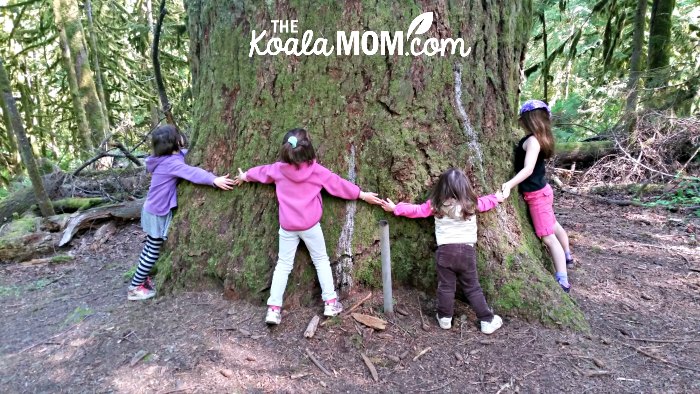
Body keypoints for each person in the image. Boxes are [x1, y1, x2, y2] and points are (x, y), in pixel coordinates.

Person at [233, 128, 382, 325]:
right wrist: (362, 194)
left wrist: (246, 176)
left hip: (287, 226)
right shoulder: (316, 170)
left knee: (283, 265)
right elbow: (338, 184)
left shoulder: (279, 169)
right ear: (309, 150)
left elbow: (262, 172)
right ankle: (330, 302)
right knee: (321, 260)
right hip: (310, 226)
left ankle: (273, 309)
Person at [381, 168, 504, 334]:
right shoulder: (471, 204)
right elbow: (487, 202)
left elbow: (416, 210)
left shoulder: (436, 205)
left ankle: (445, 318)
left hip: (445, 251)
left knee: (446, 287)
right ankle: (487, 320)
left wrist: (396, 208)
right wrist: (497, 197)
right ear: (465, 187)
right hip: (466, 252)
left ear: (441, 188)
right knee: (473, 287)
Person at [127, 124, 236, 301]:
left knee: (149, 247)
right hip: (157, 213)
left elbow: (182, 157)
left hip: (151, 209)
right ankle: (134, 287)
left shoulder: (162, 159)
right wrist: (213, 180)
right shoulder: (171, 163)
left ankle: (141, 278)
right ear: (175, 142)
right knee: (153, 250)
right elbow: (191, 172)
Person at [500, 99, 574, 293]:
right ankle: (567, 255)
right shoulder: (540, 137)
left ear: (529, 120)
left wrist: (509, 184)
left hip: (537, 196)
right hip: (543, 190)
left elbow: (528, 169)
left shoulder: (532, 141)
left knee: (548, 237)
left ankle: (562, 279)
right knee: (554, 224)